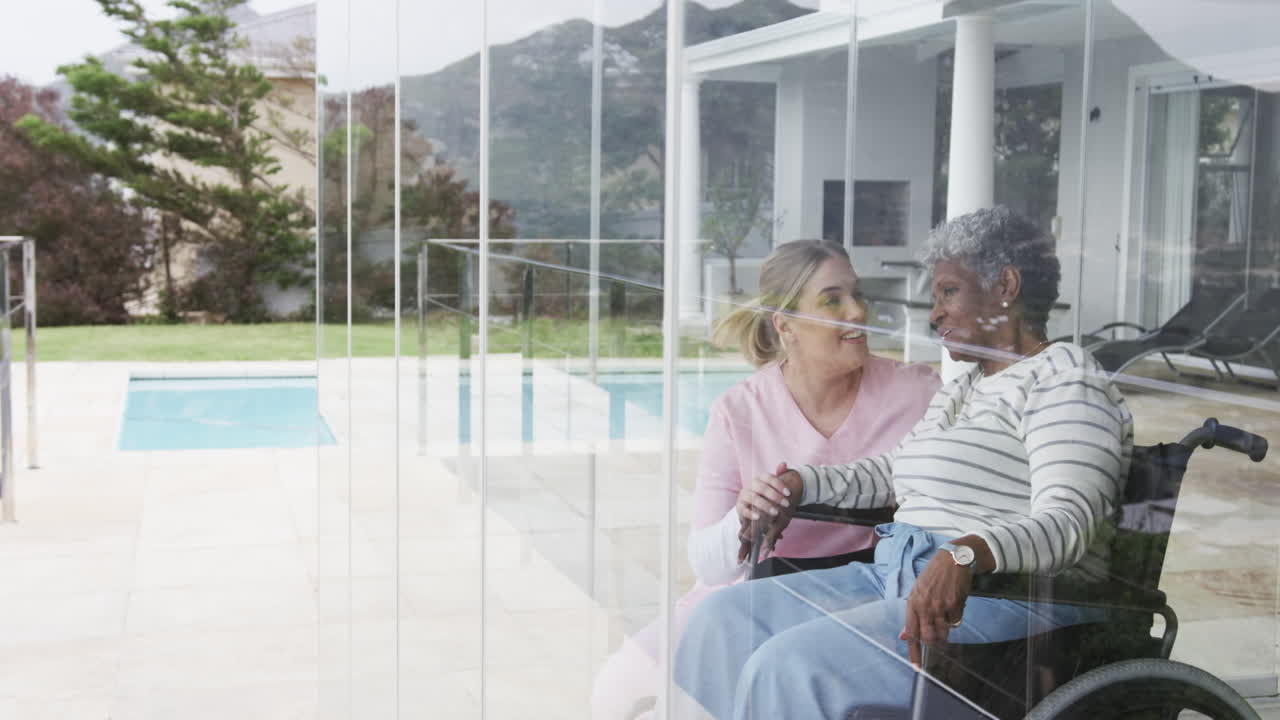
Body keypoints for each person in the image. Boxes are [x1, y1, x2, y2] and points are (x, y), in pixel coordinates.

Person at [674, 206, 1135, 719]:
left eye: (948, 292)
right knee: (719, 621)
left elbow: (1068, 525)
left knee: (790, 666)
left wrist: (963, 555)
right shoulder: (965, 387)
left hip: (1001, 598)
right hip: (899, 577)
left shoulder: (1066, 379)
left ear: (1005, 285)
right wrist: (801, 483)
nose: (934, 313)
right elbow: (893, 471)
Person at [591, 240, 940, 719]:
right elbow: (709, 565)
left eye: (857, 294)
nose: (857, 310)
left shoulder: (918, 391)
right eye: (833, 299)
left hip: (868, 592)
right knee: (614, 690)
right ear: (785, 324)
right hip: (753, 592)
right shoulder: (740, 410)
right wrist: (744, 514)